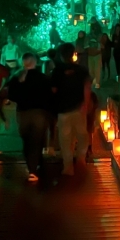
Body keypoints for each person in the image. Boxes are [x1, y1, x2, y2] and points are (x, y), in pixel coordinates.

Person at [1, 53, 53, 181]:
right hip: (39, 113)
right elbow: (49, 96)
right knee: (37, 139)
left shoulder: (17, 77)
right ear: (35, 62)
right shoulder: (42, 78)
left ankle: (32, 165)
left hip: (23, 112)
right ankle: (34, 167)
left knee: (26, 139)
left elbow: (11, 95)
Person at [50, 42, 92, 177]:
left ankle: (68, 167)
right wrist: (85, 103)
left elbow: (53, 90)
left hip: (63, 111)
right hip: (79, 108)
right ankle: (81, 159)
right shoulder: (81, 70)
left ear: (61, 55)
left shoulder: (57, 71)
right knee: (82, 135)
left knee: (66, 139)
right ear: (73, 54)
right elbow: (87, 87)